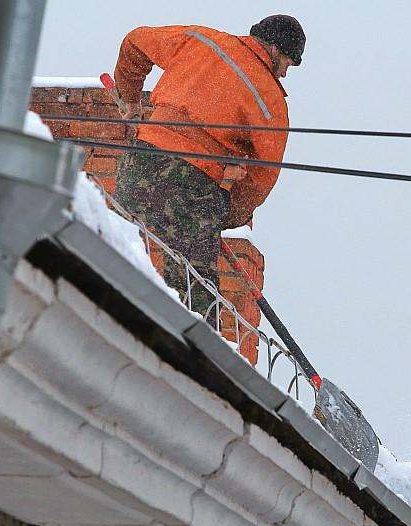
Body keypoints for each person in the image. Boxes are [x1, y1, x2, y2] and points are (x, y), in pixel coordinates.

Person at [112, 15, 304, 318]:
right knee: (194, 291)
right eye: (288, 64)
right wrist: (229, 213)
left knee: (113, 241)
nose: (285, 73)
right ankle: (190, 344)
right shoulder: (270, 101)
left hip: (142, 160)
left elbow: (135, 41)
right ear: (274, 49)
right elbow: (262, 176)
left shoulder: (201, 41)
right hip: (196, 186)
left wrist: (131, 98)